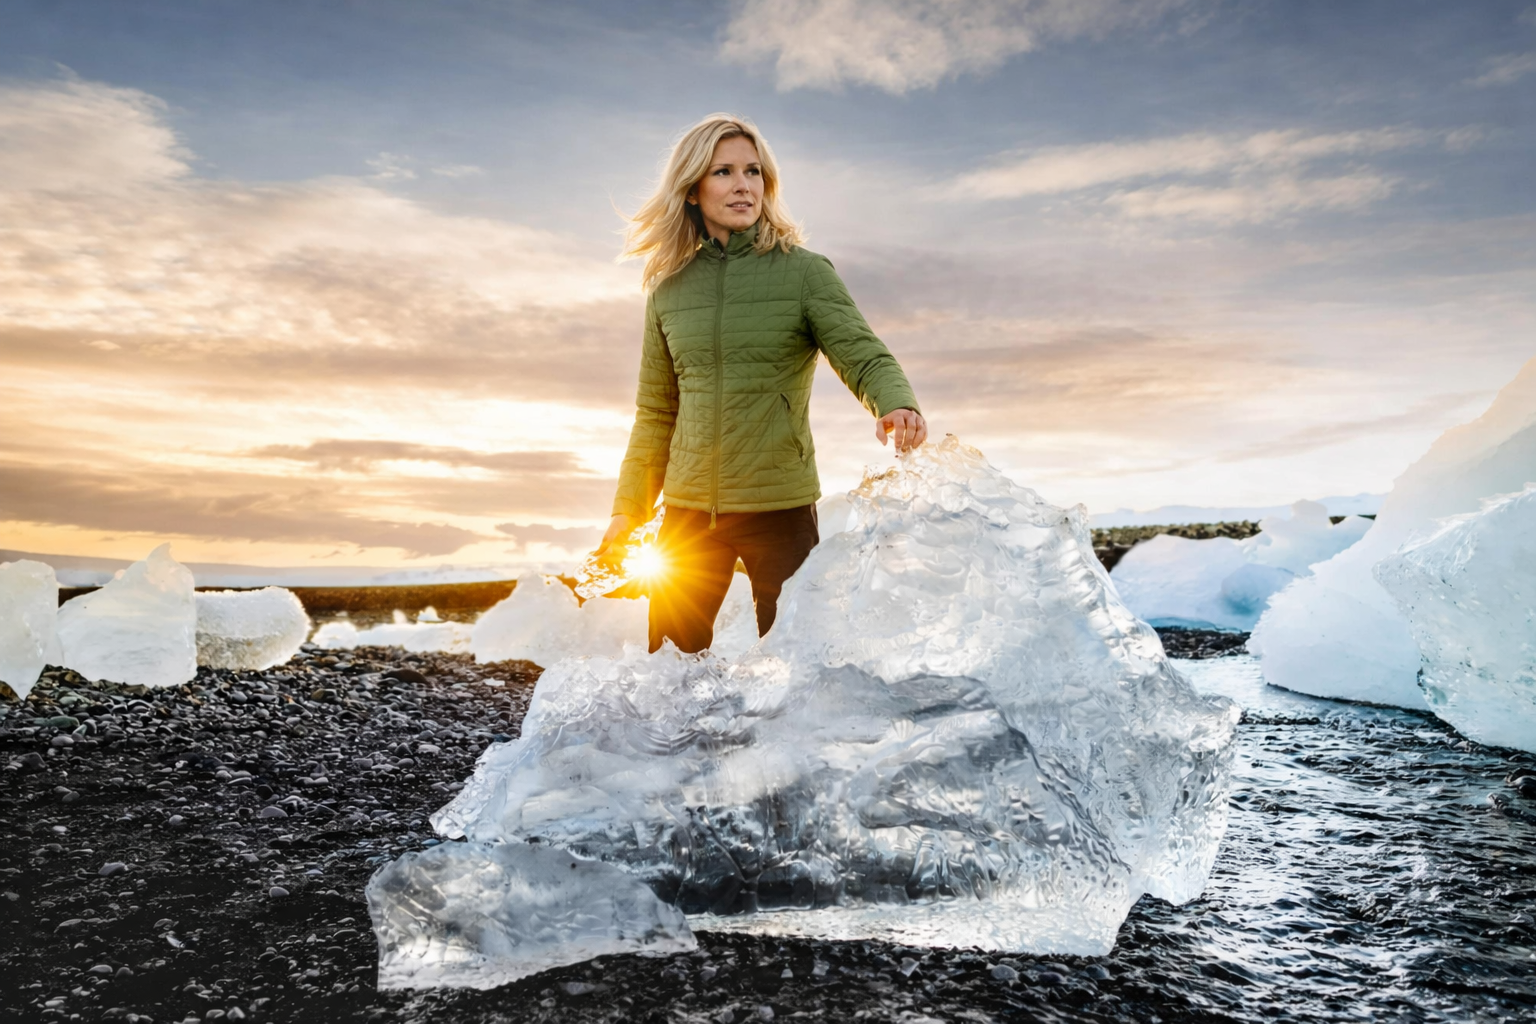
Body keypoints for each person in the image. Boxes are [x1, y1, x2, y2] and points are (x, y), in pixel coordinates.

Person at [601, 113, 926, 654]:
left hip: (780, 507)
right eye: (724, 172)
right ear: (691, 189)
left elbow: (862, 353)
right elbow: (656, 412)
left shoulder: (804, 272)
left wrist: (896, 403)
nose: (743, 184)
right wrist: (626, 511)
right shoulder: (668, 291)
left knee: (796, 665)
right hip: (686, 516)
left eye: (753, 171)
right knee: (670, 672)